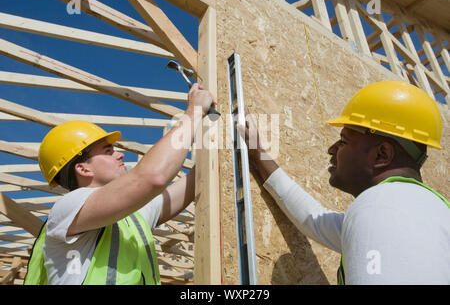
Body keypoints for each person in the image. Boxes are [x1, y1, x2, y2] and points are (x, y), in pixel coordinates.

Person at [238, 81, 449, 284]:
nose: (332, 149)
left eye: (344, 141)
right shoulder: (425, 212)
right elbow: (313, 219)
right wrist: (258, 152)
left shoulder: (378, 208)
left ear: (382, 154)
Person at [25, 83, 214, 285]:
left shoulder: (134, 218)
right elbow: (153, 177)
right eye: (108, 151)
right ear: (83, 169)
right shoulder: (68, 208)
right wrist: (194, 112)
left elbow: (195, 182)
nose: (120, 154)